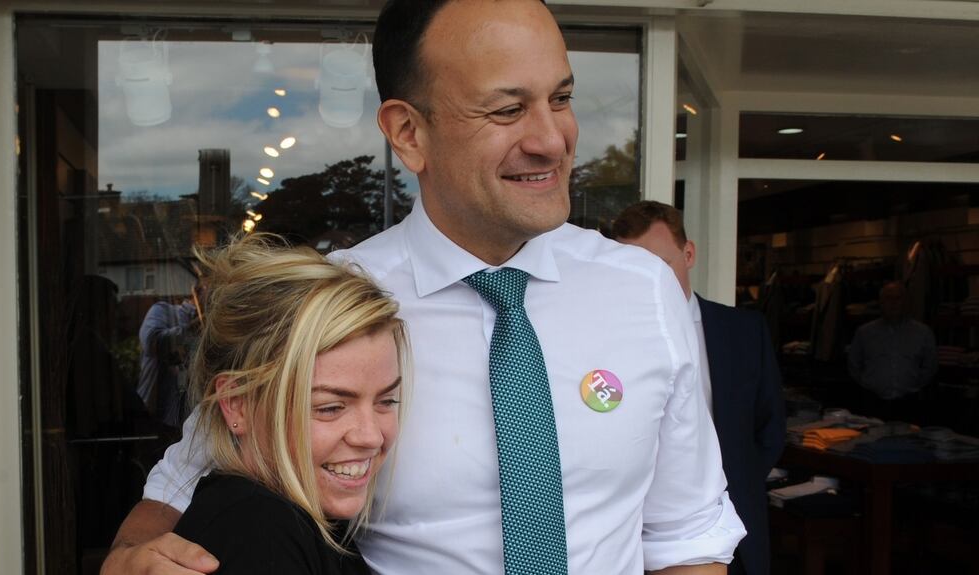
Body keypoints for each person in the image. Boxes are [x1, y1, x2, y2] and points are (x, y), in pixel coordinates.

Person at [101, 1, 745, 574]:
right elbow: (173, 502)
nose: (553, 140)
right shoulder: (335, 304)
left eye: (562, 98)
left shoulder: (643, 289)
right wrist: (133, 560)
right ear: (409, 133)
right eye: (508, 109)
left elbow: (686, 536)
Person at [169, 233, 409, 574]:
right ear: (237, 404)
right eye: (330, 407)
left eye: (387, 400)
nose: (371, 436)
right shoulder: (259, 532)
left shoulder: (296, 517)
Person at [612, 200, 786, 575]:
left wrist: (733, 486)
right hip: (646, 538)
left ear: (688, 254)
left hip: (738, 523)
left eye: (661, 266)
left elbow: (769, 428)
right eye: (634, 270)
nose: (650, 281)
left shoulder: (743, 330)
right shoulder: (610, 340)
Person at [848, 280, 937, 422]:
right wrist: (868, 384)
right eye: (888, 298)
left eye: (898, 298)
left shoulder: (923, 332)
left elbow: (930, 365)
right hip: (873, 403)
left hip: (909, 403)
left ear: (906, 302)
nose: (893, 303)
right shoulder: (864, 332)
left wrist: (913, 384)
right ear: (881, 302)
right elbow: (854, 364)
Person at [137, 280, 202, 429]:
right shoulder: (163, 310)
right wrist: (189, 329)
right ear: (198, 292)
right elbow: (152, 342)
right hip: (155, 413)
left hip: (188, 419)